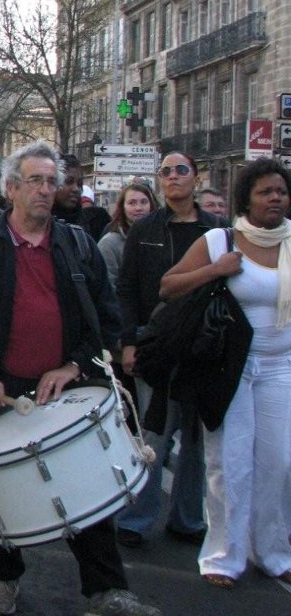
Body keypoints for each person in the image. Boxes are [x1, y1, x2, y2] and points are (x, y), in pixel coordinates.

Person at [0, 140, 159, 616]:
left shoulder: (77, 245)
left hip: (64, 386)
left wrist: (74, 365)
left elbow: (106, 317)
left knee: (88, 489)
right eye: (34, 180)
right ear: (11, 188)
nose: (44, 189)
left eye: (50, 181)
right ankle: (2, 580)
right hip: (0, 388)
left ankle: (106, 591)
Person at [158, 157, 291, 588]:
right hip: (228, 368)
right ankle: (223, 556)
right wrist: (216, 270)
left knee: (279, 464)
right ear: (246, 199)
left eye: (281, 191)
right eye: (265, 192)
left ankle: (271, 551)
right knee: (228, 462)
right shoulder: (220, 240)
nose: (275, 198)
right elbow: (169, 285)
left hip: (281, 369)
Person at [115, 151, 223, 549]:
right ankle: (136, 518)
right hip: (155, 346)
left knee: (195, 442)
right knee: (152, 438)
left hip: (203, 350)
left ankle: (188, 519)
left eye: (181, 170)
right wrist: (129, 342)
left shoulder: (218, 229)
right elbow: (125, 290)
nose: (174, 177)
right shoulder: (145, 229)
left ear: (195, 177)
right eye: (166, 172)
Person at [97, 183, 159, 289]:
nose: (139, 208)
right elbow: (108, 286)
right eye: (132, 203)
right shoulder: (109, 244)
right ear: (123, 207)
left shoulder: (162, 238)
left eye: (144, 202)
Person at [53, 154, 110, 241]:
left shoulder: (96, 221)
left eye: (79, 183)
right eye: (69, 182)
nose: (76, 189)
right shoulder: (40, 224)